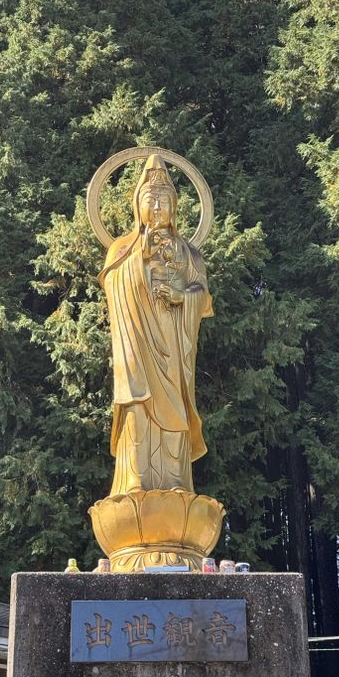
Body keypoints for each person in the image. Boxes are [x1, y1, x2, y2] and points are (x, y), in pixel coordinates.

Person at [98, 154, 213, 495]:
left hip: (174, 338)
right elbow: (112, 286)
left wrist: (182, 296)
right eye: (151, 199)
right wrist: (140, 258)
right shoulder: (123, 248)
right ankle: (136, 479)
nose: (159, 206)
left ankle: (175, 481)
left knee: (175, 404)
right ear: (138, 206)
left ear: (175, 206)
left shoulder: (189, 254)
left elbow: (203, 297)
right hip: (137, 338)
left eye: (164, 199)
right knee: (137, 403)